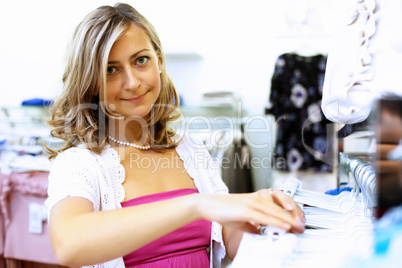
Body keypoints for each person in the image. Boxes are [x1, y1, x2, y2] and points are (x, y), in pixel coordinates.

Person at [45, 3, 305, 268]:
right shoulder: (79, 164)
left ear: (159, 61)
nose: (132, 82)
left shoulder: (189, 149)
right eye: (111, 69)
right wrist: (194, 205)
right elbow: (69, 245)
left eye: (140, 60)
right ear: (91, 83)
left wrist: (262, 211)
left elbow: (230, 240)